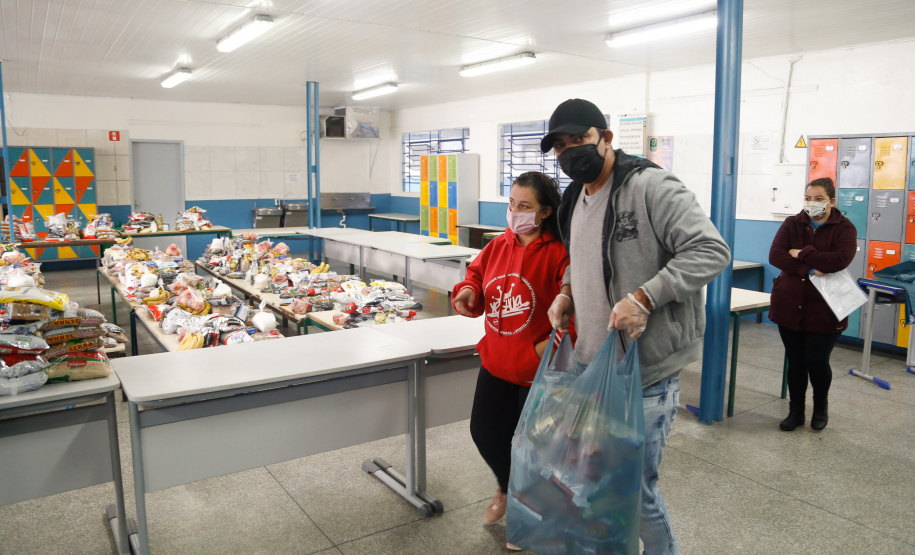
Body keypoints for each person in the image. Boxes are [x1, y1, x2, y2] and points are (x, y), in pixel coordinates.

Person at [542, 98, 731, 555]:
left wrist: (645, 297)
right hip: (592, 365)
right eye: (560, 147)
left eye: (580, 140)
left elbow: (711, 250)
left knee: (635, 490)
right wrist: (566, 292)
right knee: (598, 482)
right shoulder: (573, 198)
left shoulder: (651, 187)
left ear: (605, 138)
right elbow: (577, 256)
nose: (570, 153)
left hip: (645, 372)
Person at [451, 171, 573, 551]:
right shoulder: (497, 245)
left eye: (525, 206)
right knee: (484, 432)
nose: (515, 212)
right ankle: (507, 488)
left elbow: (574, 315)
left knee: (531, 448)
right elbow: (476, 274)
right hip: (496, 362)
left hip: (537, 373)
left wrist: (541, 352)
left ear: (544, 212)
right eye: (511, 204)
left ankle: (526, 515)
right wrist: (468, 291)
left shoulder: (559, 253)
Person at [768, 177, 856, 432]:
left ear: (831, 201)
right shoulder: (793, 222)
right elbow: (776, 255)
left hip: (826, 308)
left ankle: (820, 406)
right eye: (808, 198)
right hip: (790, 303)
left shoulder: (844, 228)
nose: (812, 203)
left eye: (818, 199)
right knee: (795, 361)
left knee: (816, 361)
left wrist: (801, 252)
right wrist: (811, 267)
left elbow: (839, 260)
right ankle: (796, 411)